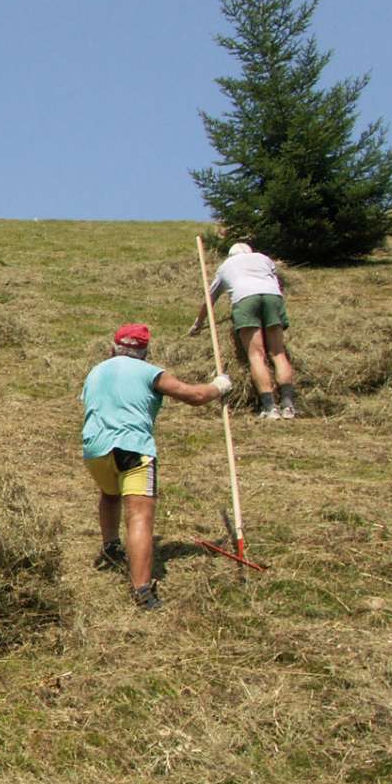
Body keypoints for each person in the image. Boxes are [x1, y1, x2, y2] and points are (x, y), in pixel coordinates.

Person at [81, 324, 231, 610]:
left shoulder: (95, 371)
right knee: (139, 518)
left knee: (110, 494)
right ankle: (142, 590)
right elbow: (193, 396)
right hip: (133, 448)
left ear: (113, 347)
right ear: (145, 352)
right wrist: (219, 386)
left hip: (95, 450)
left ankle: (111, 546)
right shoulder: (150, 372)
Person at [189, 242, 298, 419]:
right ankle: (288, 406)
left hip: (245, 298)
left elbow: (209, 300)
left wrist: (198, 324)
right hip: (273, 296)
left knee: (256, 355)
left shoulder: (225, 267)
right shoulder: (263, 258)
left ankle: (270, 408)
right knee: (278, 352)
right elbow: (278, 281)